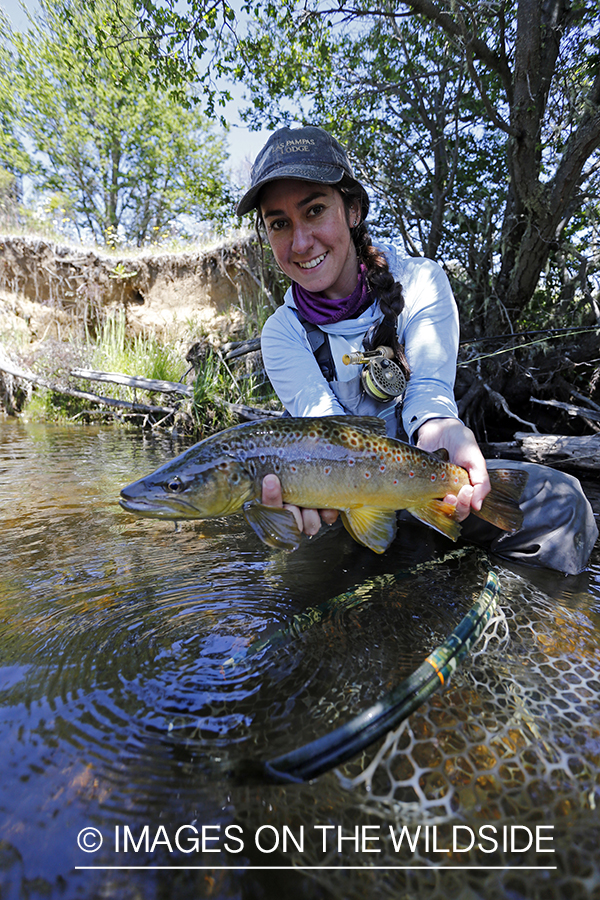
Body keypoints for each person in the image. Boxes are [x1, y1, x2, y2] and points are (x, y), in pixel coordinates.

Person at [236, 125, 598, 575]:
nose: (301, 242)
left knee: (563, 504)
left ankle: (540, 635)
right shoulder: (282, 333)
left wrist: (443, 428)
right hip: (345, 500)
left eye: (314, 210)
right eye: (279, 224)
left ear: (352, 210)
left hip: (432, 482)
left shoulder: (422, 280)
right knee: (293, 566)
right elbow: (327, 434)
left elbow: (429, 398)